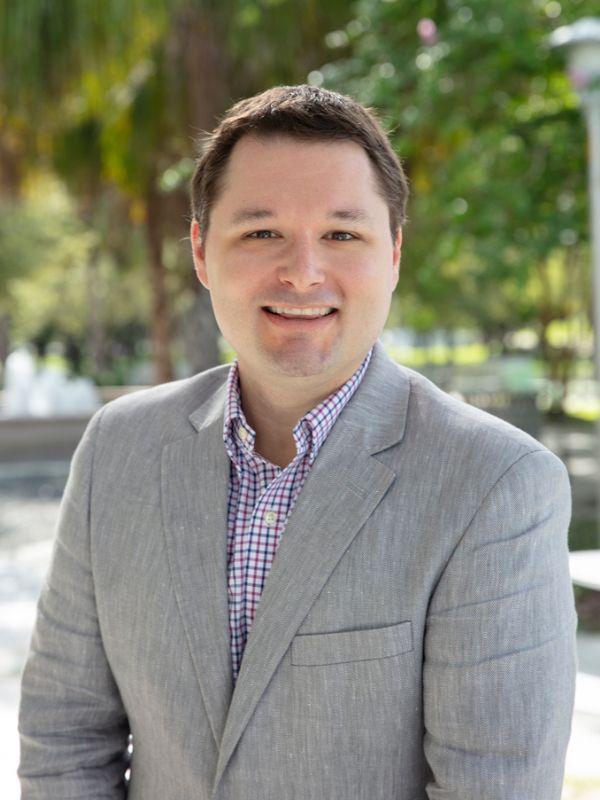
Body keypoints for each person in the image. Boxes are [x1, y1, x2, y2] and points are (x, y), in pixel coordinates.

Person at [19, 85, 576, 800]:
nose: (303, 271)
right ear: (200, 250)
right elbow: (65, 740)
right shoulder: (116, 450)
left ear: (395, 253)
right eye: (260, 232)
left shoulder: (496, 484)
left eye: (343, 234)